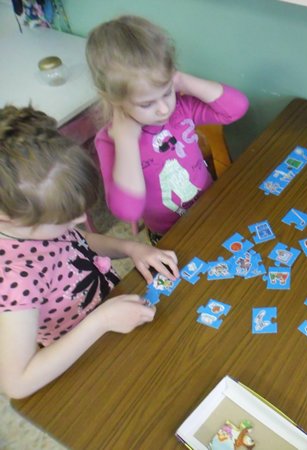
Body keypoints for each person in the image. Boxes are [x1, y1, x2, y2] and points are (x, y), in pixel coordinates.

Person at [0, 105, 180, 399]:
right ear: (7, 218)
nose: (82, 219)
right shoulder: (15, 279)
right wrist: (102, 321)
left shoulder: (34, 227)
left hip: (114, 316)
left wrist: (130, 247)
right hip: (89, 361)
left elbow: (78, 241)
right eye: (64, 220)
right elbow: (17, 383)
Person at [85, 15, 249, 243]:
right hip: (171, 235)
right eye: (146, 104)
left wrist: (183, 81)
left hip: (211, 209)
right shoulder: (111, 140)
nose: (163, 109)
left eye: (167, 92)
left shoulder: (181, 109)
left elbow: (237, 108)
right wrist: (126, 141)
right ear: (115, 100)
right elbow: (128, 211)